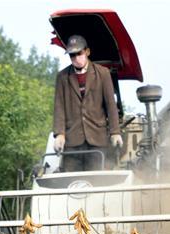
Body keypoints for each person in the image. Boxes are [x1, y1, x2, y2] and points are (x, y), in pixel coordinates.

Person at [52, 35, 123, 172]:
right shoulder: (62, 77)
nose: (76, 58)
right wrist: (59, 134)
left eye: (79, 53)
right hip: (72, 142)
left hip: (97, 140)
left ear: (87, 52)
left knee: (97, 181)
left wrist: (115, 132)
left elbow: (111, 105)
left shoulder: (103, 73)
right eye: (72, 55)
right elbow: (59, 107)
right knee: (72, 184)